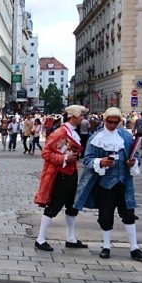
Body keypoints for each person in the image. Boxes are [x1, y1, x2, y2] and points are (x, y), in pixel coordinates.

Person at [74, 107, 142, 261]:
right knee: (106, 215)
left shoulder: (126, 137)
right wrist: (100, 161)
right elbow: (87, 159)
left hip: (124, 182)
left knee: (128, 214)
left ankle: (134, 248)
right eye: (110, 122)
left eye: (116, 122)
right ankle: (106, 246)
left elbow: (137, 156)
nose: (113, 125)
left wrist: (132, 162)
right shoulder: (96, 138)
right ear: (105, 120)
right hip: (105, 184)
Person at [34, 105, 87, 252]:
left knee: (72, 206)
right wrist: (64, 157)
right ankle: (40, 239)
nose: (82, 118)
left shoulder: (70, 132)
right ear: (73, 116)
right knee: (54, 206)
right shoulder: (59, 132)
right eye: (80, 116)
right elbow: (45, 153)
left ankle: (71, 238)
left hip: (71, 173)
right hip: (60, 174)